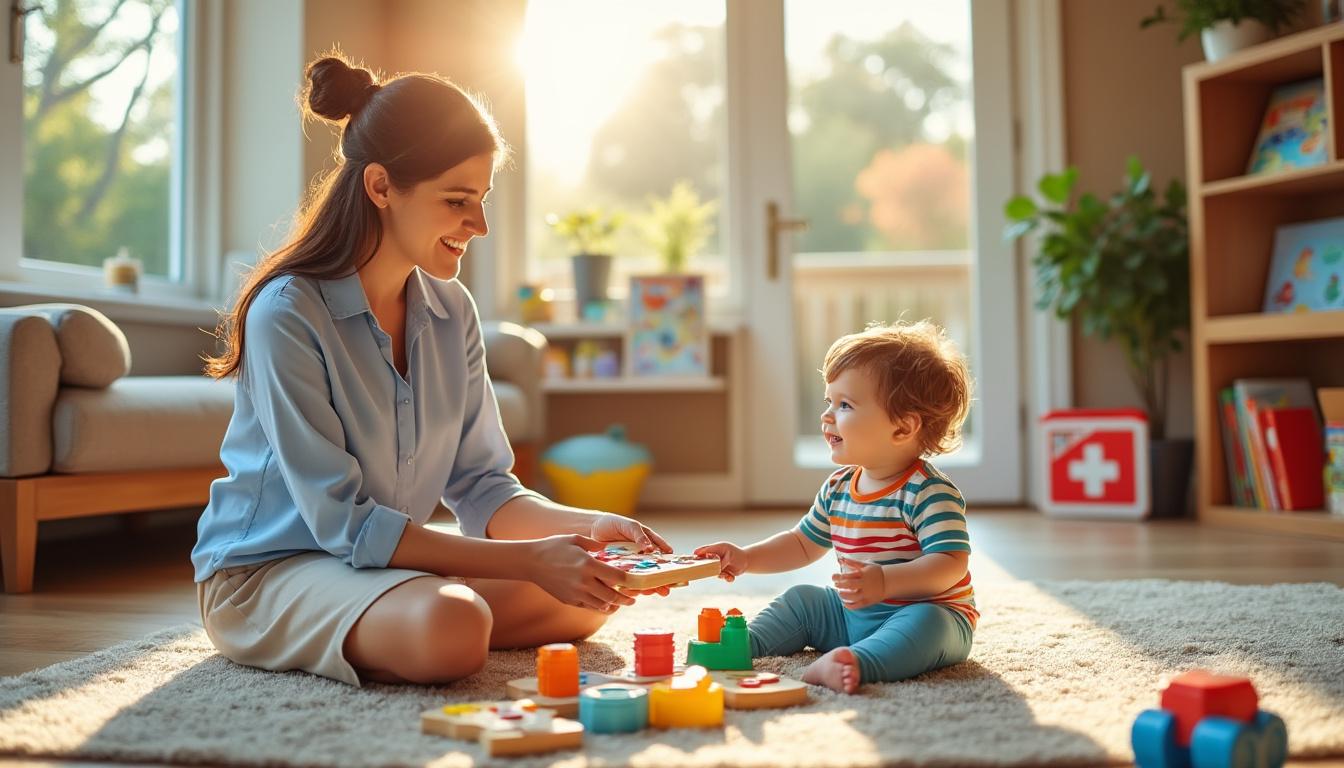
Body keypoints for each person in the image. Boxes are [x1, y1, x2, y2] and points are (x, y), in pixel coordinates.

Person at [192, 55, 672, 687]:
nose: (479, 225)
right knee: (455, 630)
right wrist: (527, 562)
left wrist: (588, 528)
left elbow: (484, 489)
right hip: (271, 572)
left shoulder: (453, 310)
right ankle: (415, 613)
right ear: (381, 187)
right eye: (457, 201)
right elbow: (343, 522)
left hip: (377, 567)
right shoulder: (288, 313)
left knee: (584, 595)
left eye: (481, 200)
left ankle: (415, 607)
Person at [696, 321, 976, 693]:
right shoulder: (839, 487)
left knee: (928, 624)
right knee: (803, 600)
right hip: (851, 615)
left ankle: (858, 661)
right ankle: (742, 646)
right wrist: (746, 558)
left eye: (845, 405)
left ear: (903, 428)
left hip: (926, 614)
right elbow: (801, 543)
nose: (827, 415)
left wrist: (887, 581)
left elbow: (950, 564)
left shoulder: (928, 492)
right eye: (829, 401)